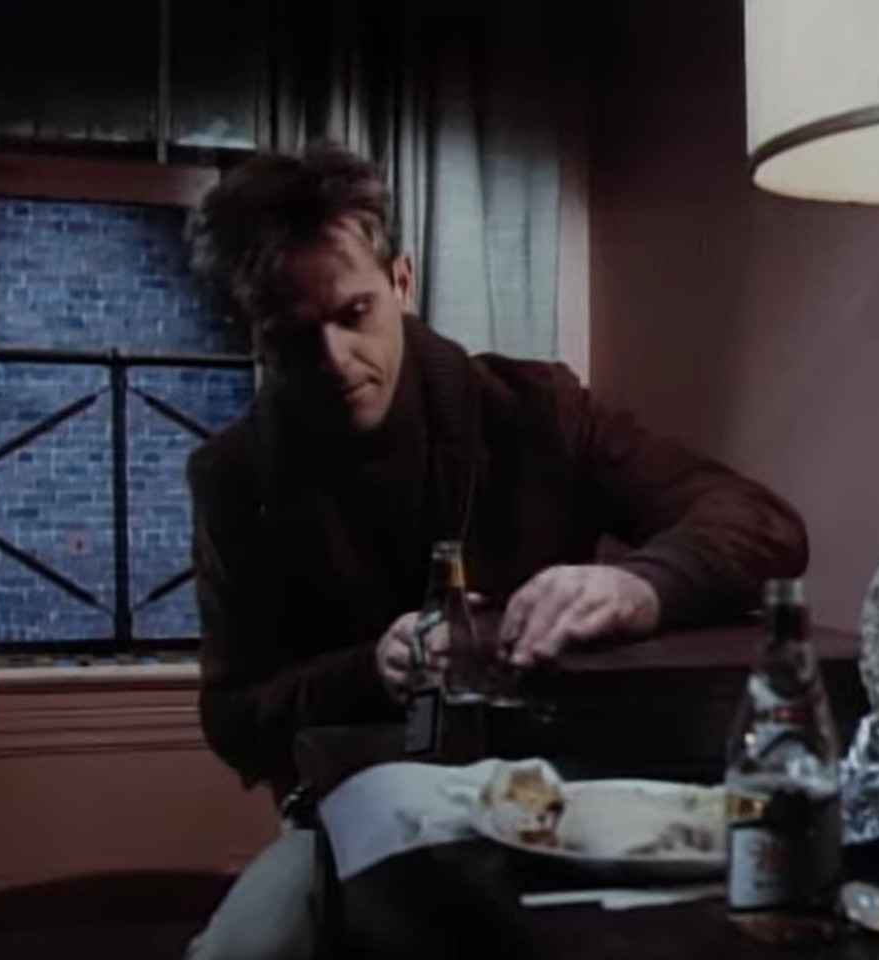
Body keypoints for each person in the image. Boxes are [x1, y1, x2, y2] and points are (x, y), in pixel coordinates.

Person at [180, 144, 808, 959]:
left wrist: (641, 586)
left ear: (402, 282)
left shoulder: (535, 408)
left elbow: (763, 522)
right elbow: (232, 718)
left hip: (554, 800)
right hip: (347, 813)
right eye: (294, 338)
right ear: (253, 332)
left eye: (354, 313)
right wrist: (367, 670)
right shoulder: (233, 476)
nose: (335, 361)